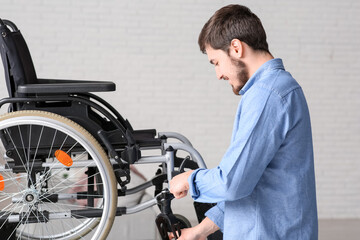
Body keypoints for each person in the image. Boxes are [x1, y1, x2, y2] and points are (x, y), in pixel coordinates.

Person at [169, 4, 318, 240]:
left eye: (216, 62)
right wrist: (199, 232)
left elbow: (232, 182)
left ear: (236, 48)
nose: (218, 74)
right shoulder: (276, 90)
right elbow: (252, 183)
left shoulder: (267, 94)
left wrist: (190, 179)